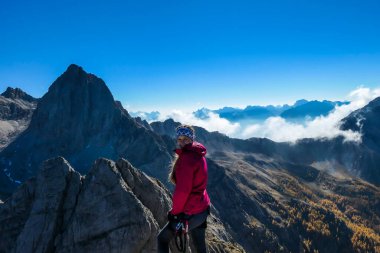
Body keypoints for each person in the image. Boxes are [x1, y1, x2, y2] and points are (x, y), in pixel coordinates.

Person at [157, 125, 211, 253]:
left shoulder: (186, 159)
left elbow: (182, 191)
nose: (181, 142)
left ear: (191, 139)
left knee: (162, 239)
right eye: (179, 139)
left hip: (191, 213)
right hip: (202, 208)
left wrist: (175, 213)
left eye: (185, 139)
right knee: (200, 247)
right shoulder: (198, 154)